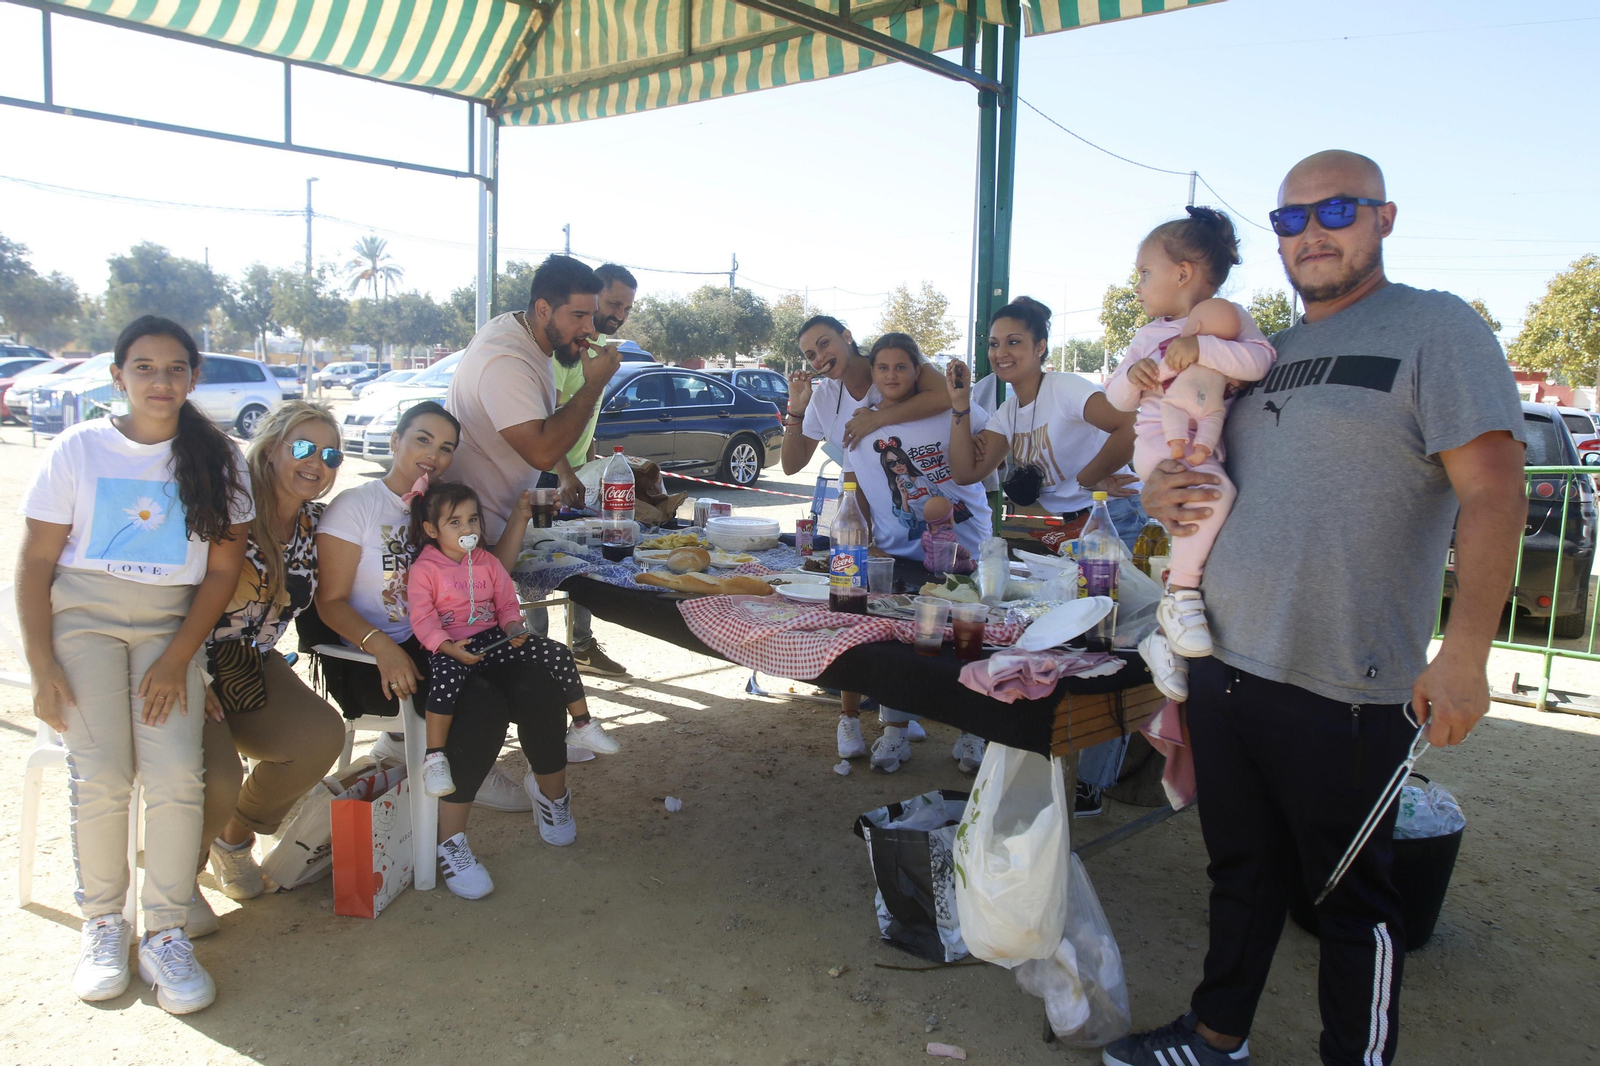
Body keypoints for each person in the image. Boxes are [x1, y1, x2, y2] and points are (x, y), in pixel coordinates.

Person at [1104, 151, 1526, 1066]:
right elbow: (1203, 455)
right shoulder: (1265, 351)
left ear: (1384, 217)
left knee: (1350, 897)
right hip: (1226, 659)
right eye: (1290, 218)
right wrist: (1163, 489)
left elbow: (1496, 491)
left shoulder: (1435, 327)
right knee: (1240, 871)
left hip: (1348, 677)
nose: (1312, 233)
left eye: (1337, 210)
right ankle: (1216, 1035)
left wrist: (1465, 654)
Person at [17, 316, 251, 1013]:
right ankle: (103, 922)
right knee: (103, 773)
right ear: (117, 376)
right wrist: (41, 666)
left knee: (177, 771)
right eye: (144, 367)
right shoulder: (78, 448)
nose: (160, 381)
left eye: (175, 368)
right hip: (82, 621)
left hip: (170, 627)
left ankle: (165, 932)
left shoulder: (220, 459)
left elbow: (222, 572)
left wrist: (179, 658)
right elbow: (35, 562)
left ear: (194, 378)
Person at [315, 402, 576, 900]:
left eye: (445, 447)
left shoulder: (440, 505)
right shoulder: (357, 505)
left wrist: (519, 517)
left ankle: (552, 794)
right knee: (482, 704)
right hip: (380, 657)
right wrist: (382, 648)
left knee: (538, 683)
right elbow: (329, 602)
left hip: (449, 642)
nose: (433, 454)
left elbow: (487, 572)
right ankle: (450, 842)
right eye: (422, 439)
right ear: (395, 440)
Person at [945, 297, 1147, 815]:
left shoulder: (1066, 390)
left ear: (1040, 347)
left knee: (1109, 646)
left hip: (1110, 519)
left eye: (1014, 341)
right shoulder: (1009, 411)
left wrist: (1091, 477)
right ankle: (1060, 765)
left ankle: (1092, 783)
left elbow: (1130, 423)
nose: (1001, 352)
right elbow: (966, 472)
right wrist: (961, 407)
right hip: (1063, 533)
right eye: (994, 343)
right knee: (1065, 644)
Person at [445, 253, 623, 758]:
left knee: (504, 655)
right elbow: (542, 448)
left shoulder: (528, 337)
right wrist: (594, 383)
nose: (589, 329)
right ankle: (463, 765)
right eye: (578, 316)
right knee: (485, 663)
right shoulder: (507, 359)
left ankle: (526, 749)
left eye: (591, 315)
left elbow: (544, 437)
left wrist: (563, 473)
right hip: (468, 535)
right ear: (543, 309)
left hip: (493, 524)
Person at [1102, 209, 1276, 698]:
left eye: (1144, 272)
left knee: (1205, 515)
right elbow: (1116, 399)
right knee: (1215, 494)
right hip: (1160, 441)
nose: (1137, 285)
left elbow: (1260, 360)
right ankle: (1179, 595)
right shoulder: (1146, 337)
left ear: (1182, 273)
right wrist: (1132, 377)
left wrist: (1201, 348)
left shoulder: (1229, 320)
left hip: (1203, 443)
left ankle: (1164, 639)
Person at [196, 401, 348, 920]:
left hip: (254, 662)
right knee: (218, 778)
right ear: (270, 450)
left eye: (330, 455)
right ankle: (179, 884)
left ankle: (233, 839)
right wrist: (191, 670)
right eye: (303, 447)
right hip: (191, 659)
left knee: (321, 736)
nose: (317, 463)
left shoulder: (316, 525)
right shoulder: (227, 507)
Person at [780, 315, 953, 762]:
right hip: (866, 519)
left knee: (914, 626)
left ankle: (902, 712)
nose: (819, 358)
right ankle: (854, 716)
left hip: (933, 522)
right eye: (810, 354)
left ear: (847, 337)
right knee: (852, 615)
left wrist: (877, 417)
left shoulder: (890, 368)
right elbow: (793, 464)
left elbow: (943, 397)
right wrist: (796, 409)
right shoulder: (825, 395)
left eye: (825, 344)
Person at [842, 333, 993, 774]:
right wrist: (864, 537)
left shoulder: (948, 407)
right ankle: (894, 730)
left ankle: (972, 730)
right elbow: (855, 485)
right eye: (882, 367)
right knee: (898, 645)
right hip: (899, 556)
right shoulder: (859, 423)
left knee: (966, 644)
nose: (891, 375)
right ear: (872, 372)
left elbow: (989, 443)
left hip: (965, 550)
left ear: (917, 370)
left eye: (901, 367)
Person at [407, 481, 589, 799]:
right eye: (455, 522)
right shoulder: (424, 569)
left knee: (557, 653)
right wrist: (447, 647)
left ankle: (583, 724)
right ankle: (434, 757)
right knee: (445, 684)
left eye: (472, 519)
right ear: (431, 529)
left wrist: (513, 627)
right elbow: (423, 619)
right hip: (451, 645)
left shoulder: (487, 562)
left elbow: (506, 604)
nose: (468, 528)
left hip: (493, 640)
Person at [531, 262, 640, 679]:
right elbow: (546, 422)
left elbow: (584, 417)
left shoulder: (599, 348)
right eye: (613, 304)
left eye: (627, 308)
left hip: (575, 472)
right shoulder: (562, 349)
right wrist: (563, 473)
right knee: (536, 561)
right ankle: (537, 652)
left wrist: (589, 464)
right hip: (544, 473)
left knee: (583, 557)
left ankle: (580, 647)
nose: (619, 314)